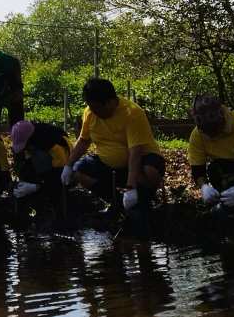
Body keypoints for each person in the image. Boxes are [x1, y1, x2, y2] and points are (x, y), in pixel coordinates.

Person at [62, 78, 165, 233]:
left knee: (150, 171)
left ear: (110, 102)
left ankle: (145, 197)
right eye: (91, 107)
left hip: (140, 162)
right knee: (79, 171)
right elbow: (83, 141)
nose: (94, 112)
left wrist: (130, 187)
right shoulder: (90, 113)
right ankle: (116, 202)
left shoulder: (132, 113)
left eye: (97, 108)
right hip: (109, 166)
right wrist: (68, 165)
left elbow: (135, 152)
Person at [10, 120, 71, 211]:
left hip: (64, 163)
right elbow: (28, 161)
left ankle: (46, 194)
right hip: (45, 158)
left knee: (53, 183)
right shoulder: (32, 140)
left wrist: (36, 187)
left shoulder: (53, 146)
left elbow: (59, 175)